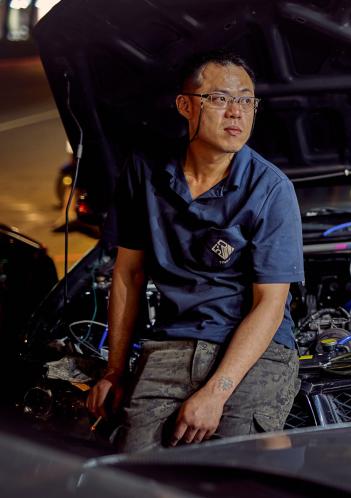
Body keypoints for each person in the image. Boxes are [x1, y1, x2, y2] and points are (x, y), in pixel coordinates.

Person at [86, 51, 304, 452]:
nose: (236, 113)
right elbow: (127, 273)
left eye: (246, 100)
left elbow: (270, 305)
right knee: (135, 464)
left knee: (232, 461)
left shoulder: (271, 190)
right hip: (172, 341)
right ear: (186, 105)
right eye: (220, 98)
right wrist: (114, 371)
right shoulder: (144, 172)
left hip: (254, 351)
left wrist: (216, 394)